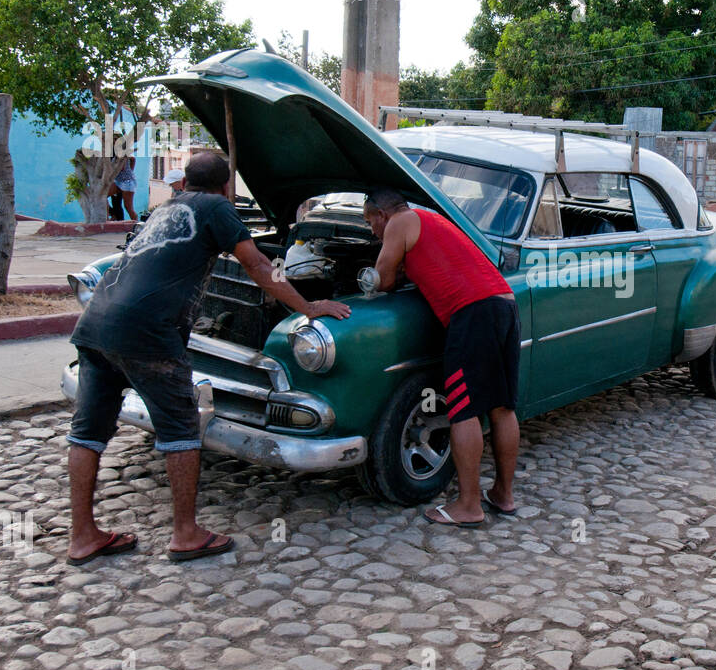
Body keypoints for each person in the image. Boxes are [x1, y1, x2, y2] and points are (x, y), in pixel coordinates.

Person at [65, 150, 350, 564]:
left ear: (187, 181)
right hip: (148, 334)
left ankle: (83, 536)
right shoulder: (217, 207)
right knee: (181, 427)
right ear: (225, 185)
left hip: (96, 324)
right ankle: (186, 533)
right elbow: (255, 264)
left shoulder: (168, 206)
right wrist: (307, 307)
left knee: (87, 432)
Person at [363, 187, 520, 528]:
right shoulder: (432, 219)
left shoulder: (399, 222)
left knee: (463, 409)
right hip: (504, 303)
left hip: (472, 314)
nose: (372, 230)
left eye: (369, 221)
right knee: (502, 406)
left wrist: (394, 269)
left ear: (382, 214)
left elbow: (383, 278)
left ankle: (468, 506)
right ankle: (503, 496)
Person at [113, 156, 137, 221]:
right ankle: (111, 216)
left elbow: (122, 167)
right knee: (103, 195)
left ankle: (137, 224)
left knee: (128, 207)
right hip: (117, 181)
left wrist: (130, 171)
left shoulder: (121, 154)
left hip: (127, 182)